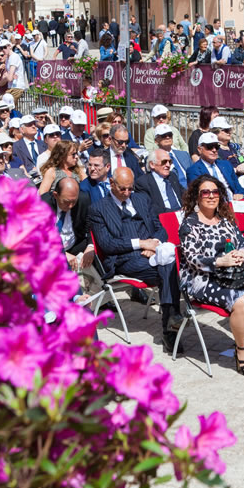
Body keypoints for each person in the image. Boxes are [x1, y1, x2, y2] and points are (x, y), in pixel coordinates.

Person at [179, 175, 244, 376]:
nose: (211, 196)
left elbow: (242, 242)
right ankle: (241, 350)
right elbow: (192, 258)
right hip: (202, 278)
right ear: (196, 197)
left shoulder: (225, 219)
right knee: (242, 302)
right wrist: (219, 261)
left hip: (233, 274)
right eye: (205, 192)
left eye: (215, 192)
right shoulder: (189, 224)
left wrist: (242, 253)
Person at [89, 167, 184, 352]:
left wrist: (154, 244)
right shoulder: (98, 209)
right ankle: (171, 325)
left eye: (130, 188)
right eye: (122, 189)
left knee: (168, 266)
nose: (127, 193)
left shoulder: (141, 199)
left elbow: (160, 228)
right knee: (169, 268)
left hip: (152, 251)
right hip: (124, 258)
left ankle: (170, 327)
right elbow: (107, 244)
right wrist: (141, 244)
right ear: (111, 183)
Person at [42, 178, 101, 294]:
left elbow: (89, 225)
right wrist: (62, 253)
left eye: (73, 201)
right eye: (66, 201)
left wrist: (90, 246)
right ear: (56, 195)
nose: (70, 206)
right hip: (52, 248)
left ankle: (99, 292)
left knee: (95, 250)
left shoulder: (83, 199)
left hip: (75, 243)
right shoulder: (44, 204)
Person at [187, 132, 244, 200]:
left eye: (216, 146)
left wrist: (240, 195)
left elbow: (238, 187)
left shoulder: (226, 164)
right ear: (200, 149)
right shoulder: (194, 170)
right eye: (209, 147)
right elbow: (198, 195)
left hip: (234, 201)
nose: (214, 150)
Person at [134, 148, 184, 215]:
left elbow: (184, 193)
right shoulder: (143, 183)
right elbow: (150, 207)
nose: (168, 165)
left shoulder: (172, 176)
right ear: (152, 164)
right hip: (164, 216)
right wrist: (174, 213)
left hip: (183, 214)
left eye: (170, 162)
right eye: (164, 162)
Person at [153, 124, 192, 188]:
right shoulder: (154, 158)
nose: (167, 137)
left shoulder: (184, 155)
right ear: (156, 140)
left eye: (170, 135)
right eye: (163, 136)